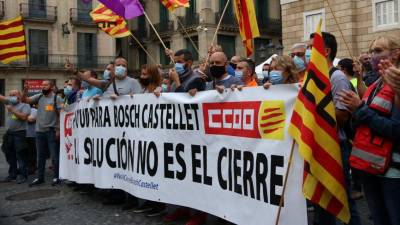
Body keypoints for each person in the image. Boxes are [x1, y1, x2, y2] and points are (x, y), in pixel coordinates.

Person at [339, 35, 400, 225]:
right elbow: (364, 121)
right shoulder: (375, 84)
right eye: (372, 51)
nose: (373, 55)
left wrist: (359, 109)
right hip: (369, 166)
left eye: (379, 51)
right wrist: (354, 111)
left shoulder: (397, 84)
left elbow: (396, 130)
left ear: (396, 54)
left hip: (392, 171)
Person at [309, 32, 362, 225]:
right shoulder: (313, 76)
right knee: (320, 200)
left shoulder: (337, 77)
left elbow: (342, 116)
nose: (308, 52)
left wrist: (314, 108)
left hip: (335, 146)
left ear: (326, 51)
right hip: (316, 145)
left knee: (343, 198)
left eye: (310, 48)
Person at [22, 80, 63, 186]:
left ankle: (56, 177)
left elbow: (61, 115)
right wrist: (25, 91)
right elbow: (25, 100)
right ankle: (40, 177)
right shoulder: (39, 96)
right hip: (39, 131)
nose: (43, 86)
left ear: (51, 86)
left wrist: (58, 130)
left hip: (51, 131)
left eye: (46, 85)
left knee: (54, 156)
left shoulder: (56, 98)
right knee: (40, 156)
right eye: (42, 85)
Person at [67, 57, 141, 99]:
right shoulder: (108, 83)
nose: (121, 67)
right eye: (118, 65)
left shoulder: (133, 82)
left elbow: (140, 102)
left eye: (123, 66)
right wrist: (74, 71)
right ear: (114, 68)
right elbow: (88, 79)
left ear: (127, 68)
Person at [0, 90, 31, 184]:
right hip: (9, 133)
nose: (11, 97)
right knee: (9, 154)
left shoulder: (25, 105)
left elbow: (24, 117)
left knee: (20, 155)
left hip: (19, 133)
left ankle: (23, 175)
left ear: (20, 96)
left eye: (14, 95)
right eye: (10, 95)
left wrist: (12, 111)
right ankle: (12, 174)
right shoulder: (9, 103)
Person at [26, 104, 37, 175]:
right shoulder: (21, 110)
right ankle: (25, 167)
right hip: (23, 134)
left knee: (32, 152)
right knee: (25, 152)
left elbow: (31, 120)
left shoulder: (34, 110)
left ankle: (32, 167)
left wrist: (21, 116)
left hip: (32, 135)